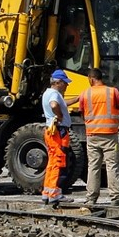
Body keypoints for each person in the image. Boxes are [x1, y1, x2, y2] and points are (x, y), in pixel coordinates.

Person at [78, 67, 119, 206]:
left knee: (93, 166)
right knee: (112, 166)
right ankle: (116, 197)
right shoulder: (113, 92)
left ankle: (91, 197)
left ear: (91, 79)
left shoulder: (85, 94)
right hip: (110, 135)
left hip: (92, 135)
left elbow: (82, 113)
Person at [41, 69, 74, 206]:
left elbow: (60, 104)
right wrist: (60, 116)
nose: (67, 86)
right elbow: (54, 105)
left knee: (52, 163)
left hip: (51, 131)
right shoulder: (54, 94)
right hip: (58, 132)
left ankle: (47, 193)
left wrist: (78, 99)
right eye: (65, 83)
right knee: (58, 162)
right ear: (58, 82)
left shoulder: (47, 93)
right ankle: (55, 194)